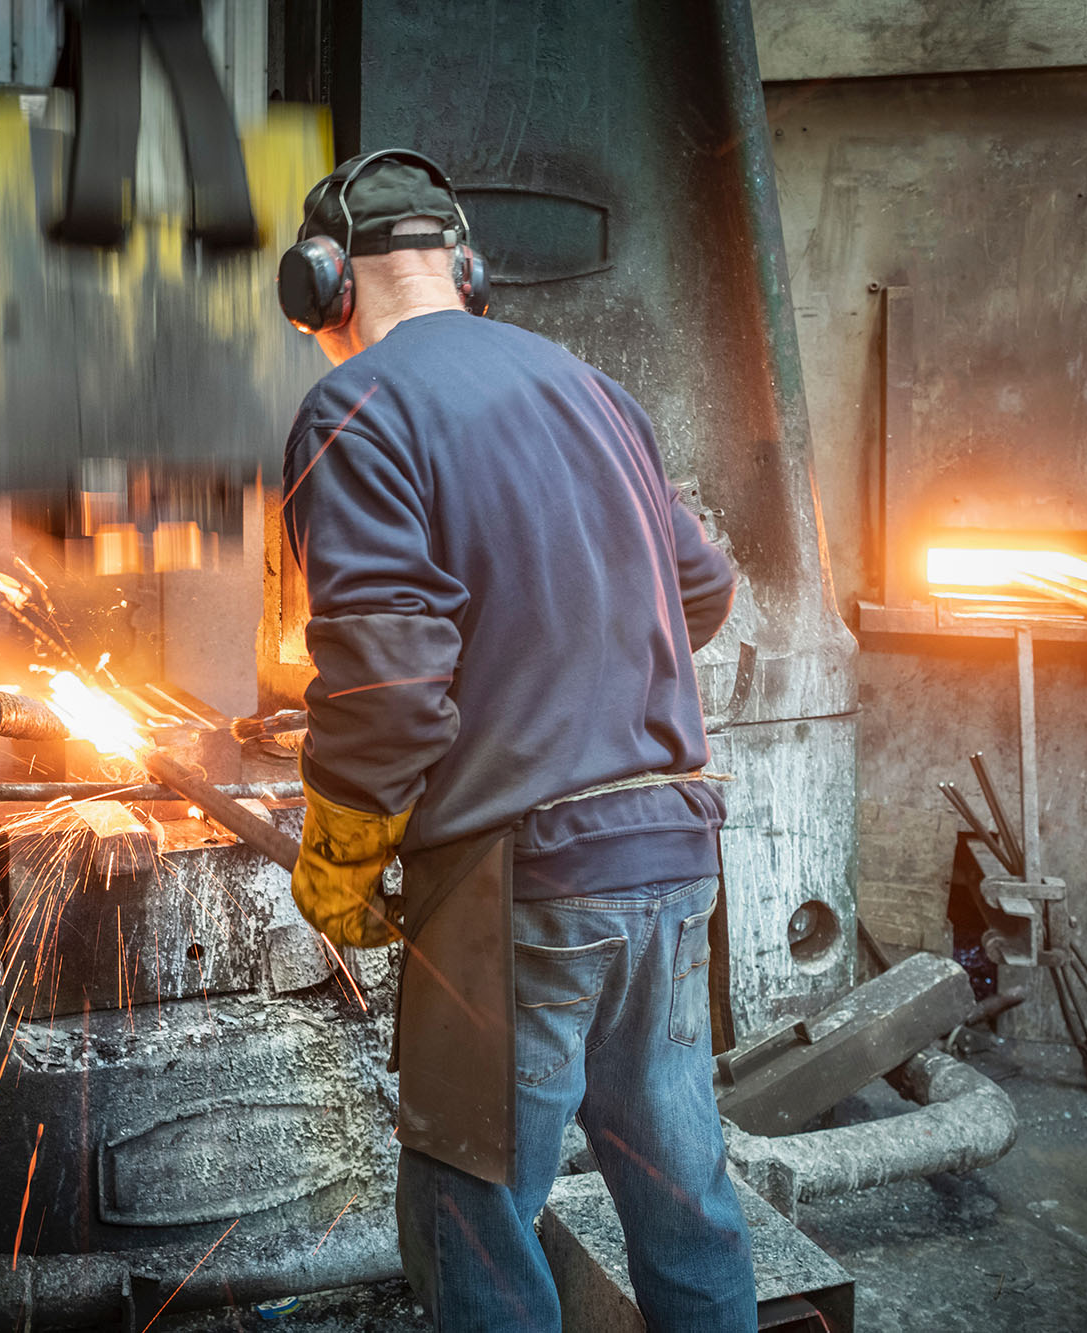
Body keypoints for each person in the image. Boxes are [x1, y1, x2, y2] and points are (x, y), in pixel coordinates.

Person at [275, 150, 758, 1332]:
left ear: (321, 286)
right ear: (465, 270)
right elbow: (699, 588)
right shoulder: (592, 388)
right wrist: (565, 661)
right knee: (682, 1187)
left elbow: (387, 688)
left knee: (471, 1204)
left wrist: (338, 851)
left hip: (519, 882)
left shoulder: (355, 404)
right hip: (670, 853)